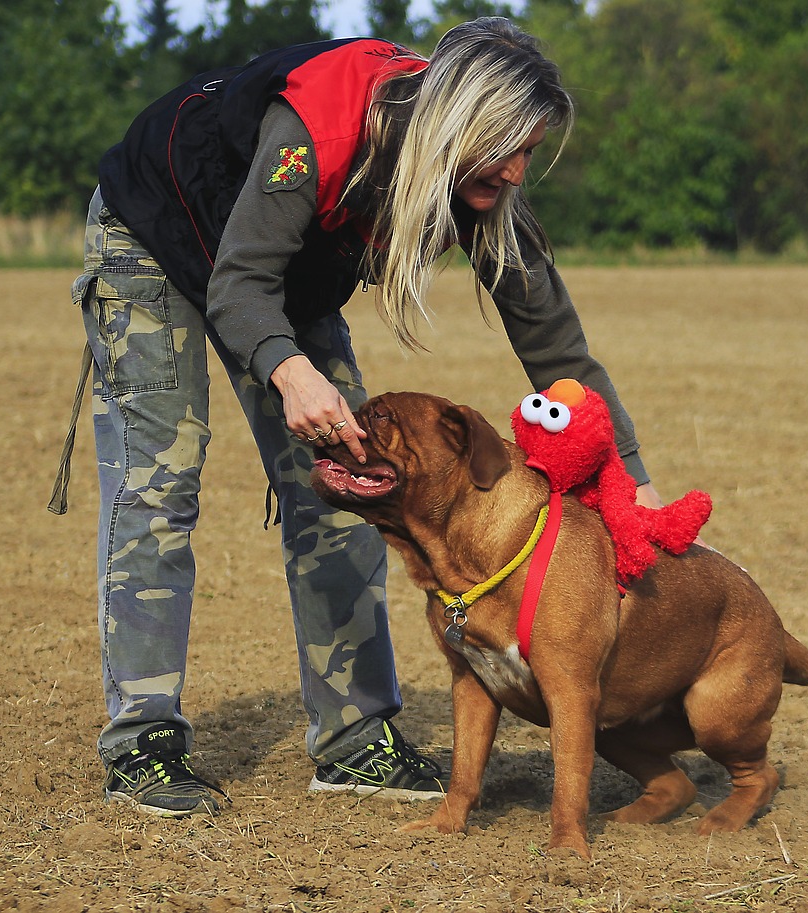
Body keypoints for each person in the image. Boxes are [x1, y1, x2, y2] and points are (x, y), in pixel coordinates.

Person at [58, 18, 673, 817]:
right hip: (155, 234)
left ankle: (354, 739)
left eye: (530, 151)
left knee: (360, 482)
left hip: (285, 277)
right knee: (160, 485)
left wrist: (634, 482)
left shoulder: (483, 187)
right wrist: (291, 373)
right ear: (459, 121)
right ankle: (142, 744)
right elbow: (239, 287)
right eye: (508, 147)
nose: (518, 171)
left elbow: (558, 350)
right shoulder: (320, 130)